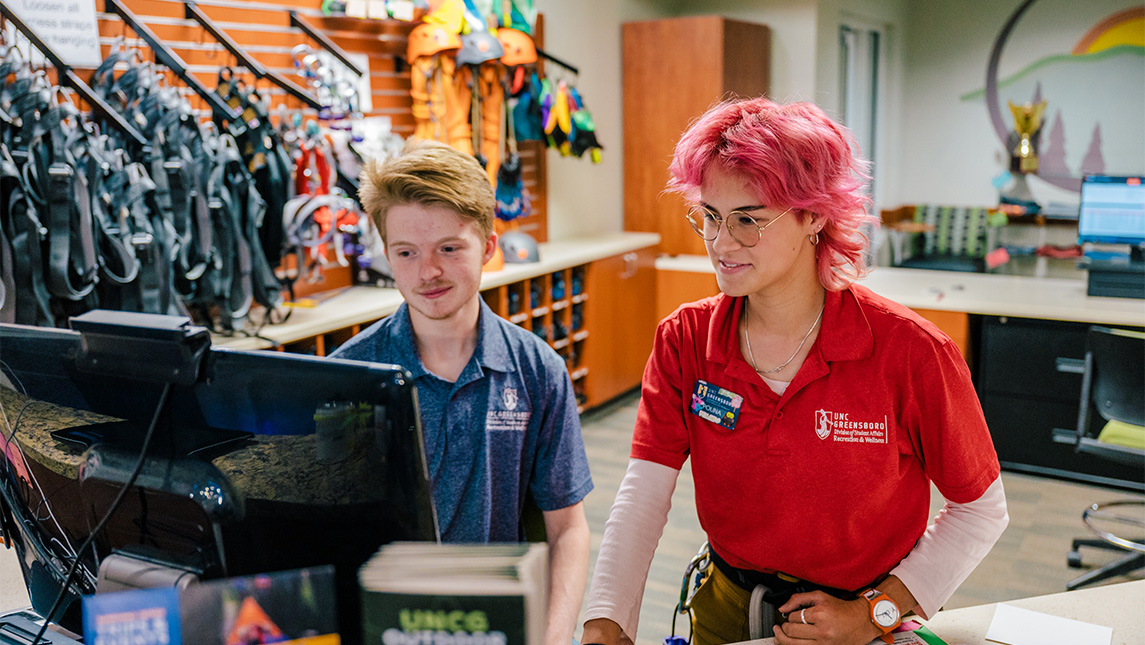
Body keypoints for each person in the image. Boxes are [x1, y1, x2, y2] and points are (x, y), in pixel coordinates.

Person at [581, 97, 1009, 645]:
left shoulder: (911, 352)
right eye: (709, 216)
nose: (720, 242)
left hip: (868, 617)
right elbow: (643, 496)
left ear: (815, 216)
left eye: (748, 220)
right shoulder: (685, 339)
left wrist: (873, 613)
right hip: (727, 608)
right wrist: (605, 622)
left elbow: (979, 512)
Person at [330, 140, 593, 645]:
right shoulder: (345, 377)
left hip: (496, 623)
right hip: (387, 624)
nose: (427, 271)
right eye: (406, 253)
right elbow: (326, 533)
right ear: (388, 256)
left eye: (449, 248)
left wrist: (555, 635)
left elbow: (568, 528)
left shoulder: (538, 370)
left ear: (488, 247)